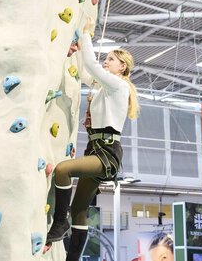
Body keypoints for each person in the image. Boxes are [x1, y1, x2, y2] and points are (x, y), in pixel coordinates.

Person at [45, 17, 140, 261]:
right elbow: (87, 73)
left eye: (111, 60)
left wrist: (86, 34)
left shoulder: (118, 86)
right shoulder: (107, 89)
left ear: (122, 68)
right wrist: (75, 50)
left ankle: (59, 223)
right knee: (79, 209)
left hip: (105, 153)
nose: (106, 62)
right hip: (96, 149)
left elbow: (91, 64)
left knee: (62, 170)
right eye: (107, 58)